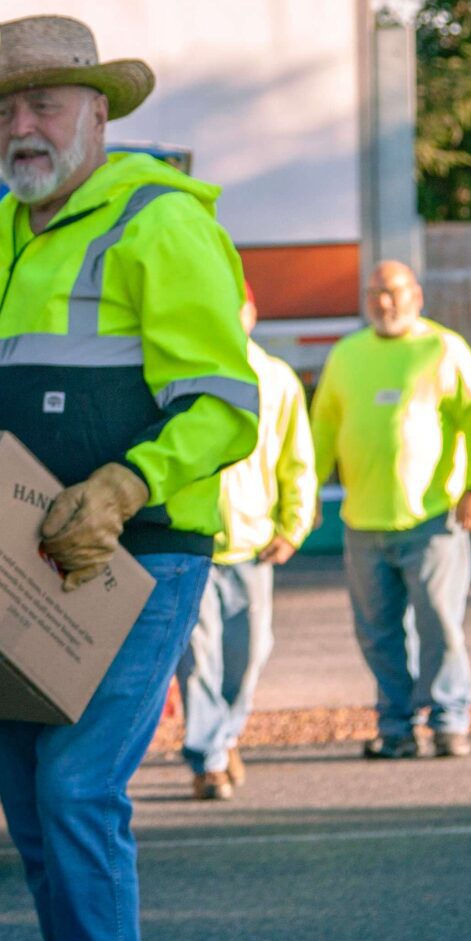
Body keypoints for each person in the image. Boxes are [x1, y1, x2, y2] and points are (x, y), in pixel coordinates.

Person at [0, 15, 259, 941]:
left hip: (136, 551)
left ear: (100, 114)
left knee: (75, 800)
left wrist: (126, 484)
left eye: (47, 104)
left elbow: (225, 405)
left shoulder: (154, 223)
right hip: (16, 564)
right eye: (7, 108)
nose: (23, 125)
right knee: (36, 819)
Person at [310, 259, 471, 760]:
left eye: (392, 292)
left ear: (416, 294)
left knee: (439, 621)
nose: (383, 303)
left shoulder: (442, 348)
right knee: (376, 631)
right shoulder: (347, 355)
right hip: (363, 521)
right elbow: (323, 429)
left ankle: (448, 719)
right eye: (374, 293)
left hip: (432, 518)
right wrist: (306, 492)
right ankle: (395, 726)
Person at [178, 294, 318, 801]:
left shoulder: (276, 378)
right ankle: (208, 760)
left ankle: (227, 736)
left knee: (250, 657)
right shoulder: (185, 369)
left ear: (252, 313)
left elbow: (296, 458)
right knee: (197, 662)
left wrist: (293, 525)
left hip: (253, 546)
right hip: (193, 546)